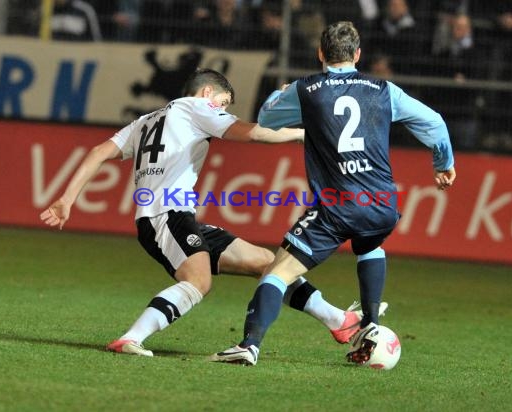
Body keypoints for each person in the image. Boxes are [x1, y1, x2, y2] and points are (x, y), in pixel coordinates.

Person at [39, 68, 385, 357]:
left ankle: (339, 321)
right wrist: (305, 134)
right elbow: (253, 133)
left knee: (267, 263)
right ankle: (132, 337)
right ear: (207, 93)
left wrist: (67, 198)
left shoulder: (146, 120)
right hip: (165, 217)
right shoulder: (196, 108)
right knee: (198, 282)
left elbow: (98, 151)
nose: (222, 109)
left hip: (178, 217)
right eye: (222, 103)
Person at [212, 21, 456, 366]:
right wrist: (443, 163)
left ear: (320, 54)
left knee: (276, 273)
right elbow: (434, 123)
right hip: (382, 203)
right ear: (358, 55)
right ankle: (371, 323)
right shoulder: (384, 89)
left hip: (338, 205)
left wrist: (278, 94)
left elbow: (267, 119)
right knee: (370, 243)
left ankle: (249, 345)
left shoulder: (307, 89)